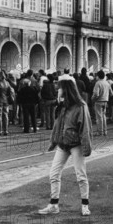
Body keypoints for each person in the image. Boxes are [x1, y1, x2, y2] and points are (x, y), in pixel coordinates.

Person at [38, 78, 92, 216]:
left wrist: (86, 147)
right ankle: (53, 204)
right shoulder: (62, 105)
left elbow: (85, 128)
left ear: (66, 89)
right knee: (54, 174)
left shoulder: (80, 106)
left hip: (76, 144)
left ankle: (85, 205)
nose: (57, 90)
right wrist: (53, 141)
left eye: (59, 88)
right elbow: (57, 125)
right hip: (63, 144)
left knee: (81, 175)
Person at [92, 70, 112, 136]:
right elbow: (111, 93)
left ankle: (100, 132)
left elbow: (96, 94)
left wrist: (93, 98)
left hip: (98, 101)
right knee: (103, 116)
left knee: (99, 117)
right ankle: (105, 131)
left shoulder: (98, 83)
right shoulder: (107, 83)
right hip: (105, 101)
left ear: (98, 76)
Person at [0, 71, 13, 136]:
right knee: (6, 115)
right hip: (5, 100)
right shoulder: (7, 83)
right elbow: (10, 91)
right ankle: (6, 130)